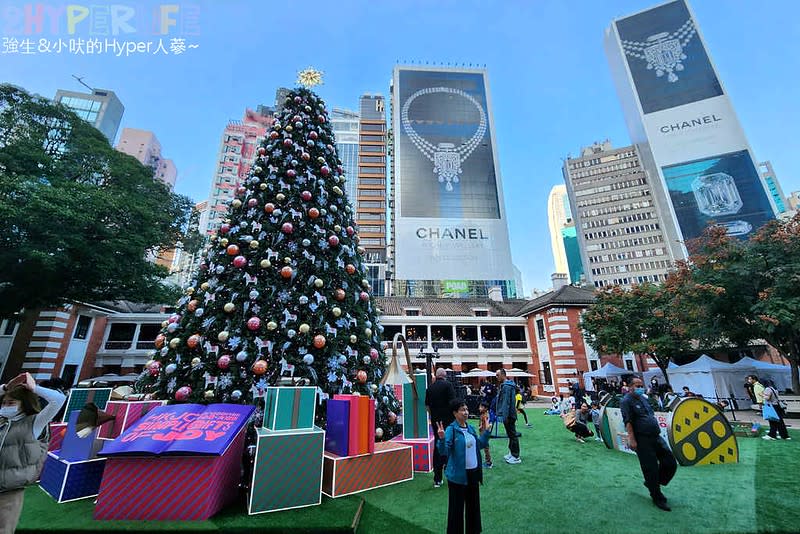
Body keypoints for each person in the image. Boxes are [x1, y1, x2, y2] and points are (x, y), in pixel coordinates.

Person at [1, 372, 66, 533]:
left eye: (11, 403)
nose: (6, 406)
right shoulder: (3, 422)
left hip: (9, 491)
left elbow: (58, 400)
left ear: (24, 404)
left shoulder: (35, 423)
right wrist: (6, 387)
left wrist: (35, 388)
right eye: (4, 403)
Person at [621, 377, 677, 511]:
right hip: (642, 439)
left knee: (670, 462)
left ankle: (653, 482)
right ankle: (657, 496)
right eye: (637, 385)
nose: (640, 387)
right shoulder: (626, 401)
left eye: (641, 385)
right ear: (630, 387)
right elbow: (628, 421)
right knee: (650, 467)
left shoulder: (644, 399)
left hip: (655, 436)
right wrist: (632, 439)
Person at [436, 399, 491, 534]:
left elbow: (478, 445)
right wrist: (442, 439)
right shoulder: (451, 430)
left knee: (473, 508)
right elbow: (444, 452)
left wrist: (487, 433)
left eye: (466, 409)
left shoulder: (470, 428)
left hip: (473, 474)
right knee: (456, 510)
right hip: (457, 476)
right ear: (455, 413)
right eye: (462, 410)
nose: (466, 412)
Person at [425, 367, 456, 488]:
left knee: (438, 448)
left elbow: (427, 406)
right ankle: (451, 475)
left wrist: (434, 416)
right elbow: (453, 403)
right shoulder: (448, 385)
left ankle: (437, 479)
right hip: (448, 421)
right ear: (444, 375)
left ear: (436, 376)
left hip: (436, 422)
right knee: (450, 445)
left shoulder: (430, 388)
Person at [495, 369, 521, 464]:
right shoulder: (507, 385)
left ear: (503, 375)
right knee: (510, 435)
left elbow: (506, 402)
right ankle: (512, 452)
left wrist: (504, 416)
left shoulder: (506, 387)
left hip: (509, 415)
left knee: (512, 435)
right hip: (509, 414)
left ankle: (516, 456)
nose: (496, 377)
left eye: (498, 375)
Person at [477, 402, 492, 468]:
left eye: (481, 407)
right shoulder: (483, 414)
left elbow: (487, 425)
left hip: (484, 434)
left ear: (485, 408)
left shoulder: (485, 415)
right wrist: (480, 426)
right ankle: (488, 461)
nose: (479, 408)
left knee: (486, 448)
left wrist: (486, 429)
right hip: (482, 433)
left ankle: (489, 462)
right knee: (485, 447)